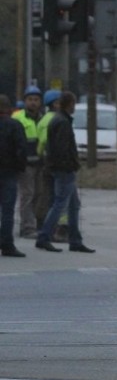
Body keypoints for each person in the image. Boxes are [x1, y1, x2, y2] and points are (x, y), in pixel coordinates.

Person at [35, 91, 95, 254]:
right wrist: (71, 164)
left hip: (61, 168)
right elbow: (62, 149)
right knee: (60, 204)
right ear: (69, 105)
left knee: (74, 205)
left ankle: (75, 240)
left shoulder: (59, 120)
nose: (74, 107)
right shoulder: (62, 122)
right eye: (73, 104)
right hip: (64, 170)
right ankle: (44, 236)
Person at [36, 89, 68, 240]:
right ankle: (59, 228)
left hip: (45, 162)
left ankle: (45, 224)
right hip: (58, 163)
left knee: (48, 194)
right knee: (61, 197)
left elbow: (40, 144)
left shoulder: (43, 120)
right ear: (55, 104)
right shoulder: (59, 119)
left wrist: (40, 155)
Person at [13, 84, 44, 239]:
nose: (33, 102)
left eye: (36, 100)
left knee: (38, 194)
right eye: (30, 99)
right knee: (27, 195)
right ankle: (27, 228)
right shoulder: (18, 117)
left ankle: (35, 224)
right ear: (25, 101)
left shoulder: (43, 118)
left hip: (40, 163)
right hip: (25, 164)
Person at [0, 94, 28, 257]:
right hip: (9, 172)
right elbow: (21, 149)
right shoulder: (15, 125)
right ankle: (7, 244)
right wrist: (20, 167)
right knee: (7, 210)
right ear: (9, 109)